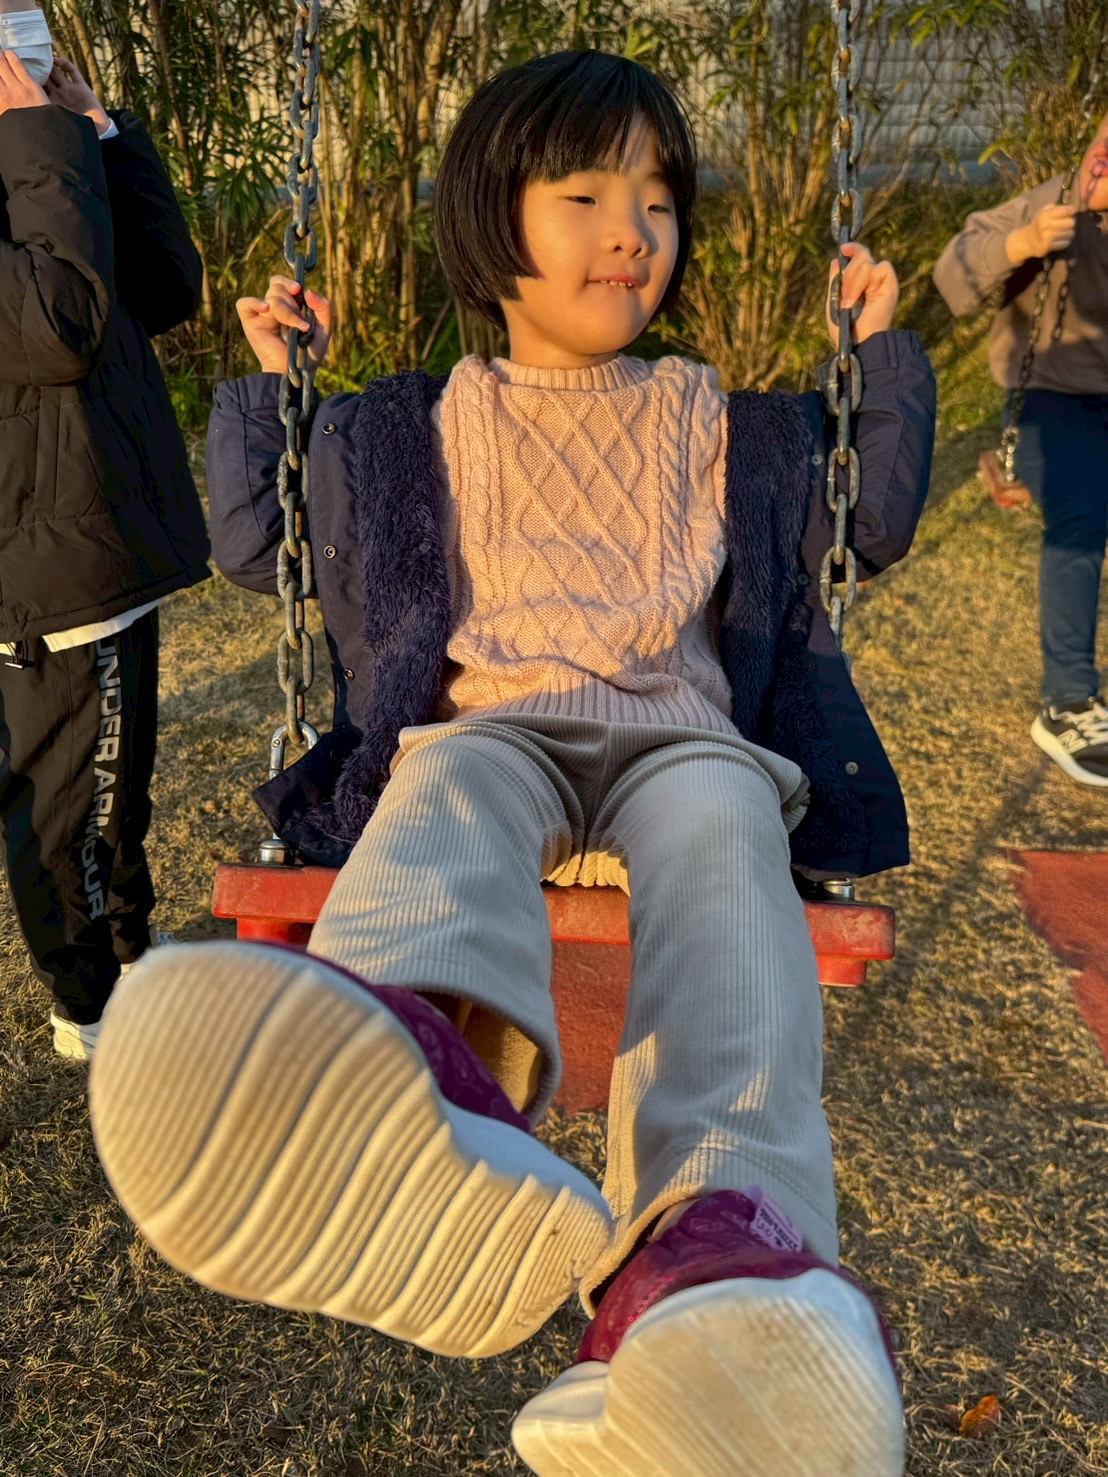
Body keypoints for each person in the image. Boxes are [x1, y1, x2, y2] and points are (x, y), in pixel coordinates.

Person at [89, 51, 934, 1476]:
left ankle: (719, 1247)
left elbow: (867, 521)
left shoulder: (715, 414)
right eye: (586, 194)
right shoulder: (416, 423)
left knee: (729, 843)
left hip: (682, 738)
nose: (633, 230)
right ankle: (394, 1078)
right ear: (493, 220)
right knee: (444, 790)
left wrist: (876, 356)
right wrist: (278, 386)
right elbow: (259, 544)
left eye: (659, 198)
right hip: (498, 726)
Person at [0, 10, 210, 1062]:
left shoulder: (46, 161)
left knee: (115, 790)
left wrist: (103, 138)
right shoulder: (28, 164)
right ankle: (89, 1004)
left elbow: (166, 290)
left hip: (102, 534)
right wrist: (39, 142)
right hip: (48, 560)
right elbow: (62, 325)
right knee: (67, 805)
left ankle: (131, 961)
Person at [934, 110, 1108, 787]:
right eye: (1103, 139)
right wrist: (1024, 243)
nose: (1103, 158)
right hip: (1052, 397)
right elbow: (951, 275)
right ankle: (1068, 703)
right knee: (1080, 517)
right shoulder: (1053, 204)